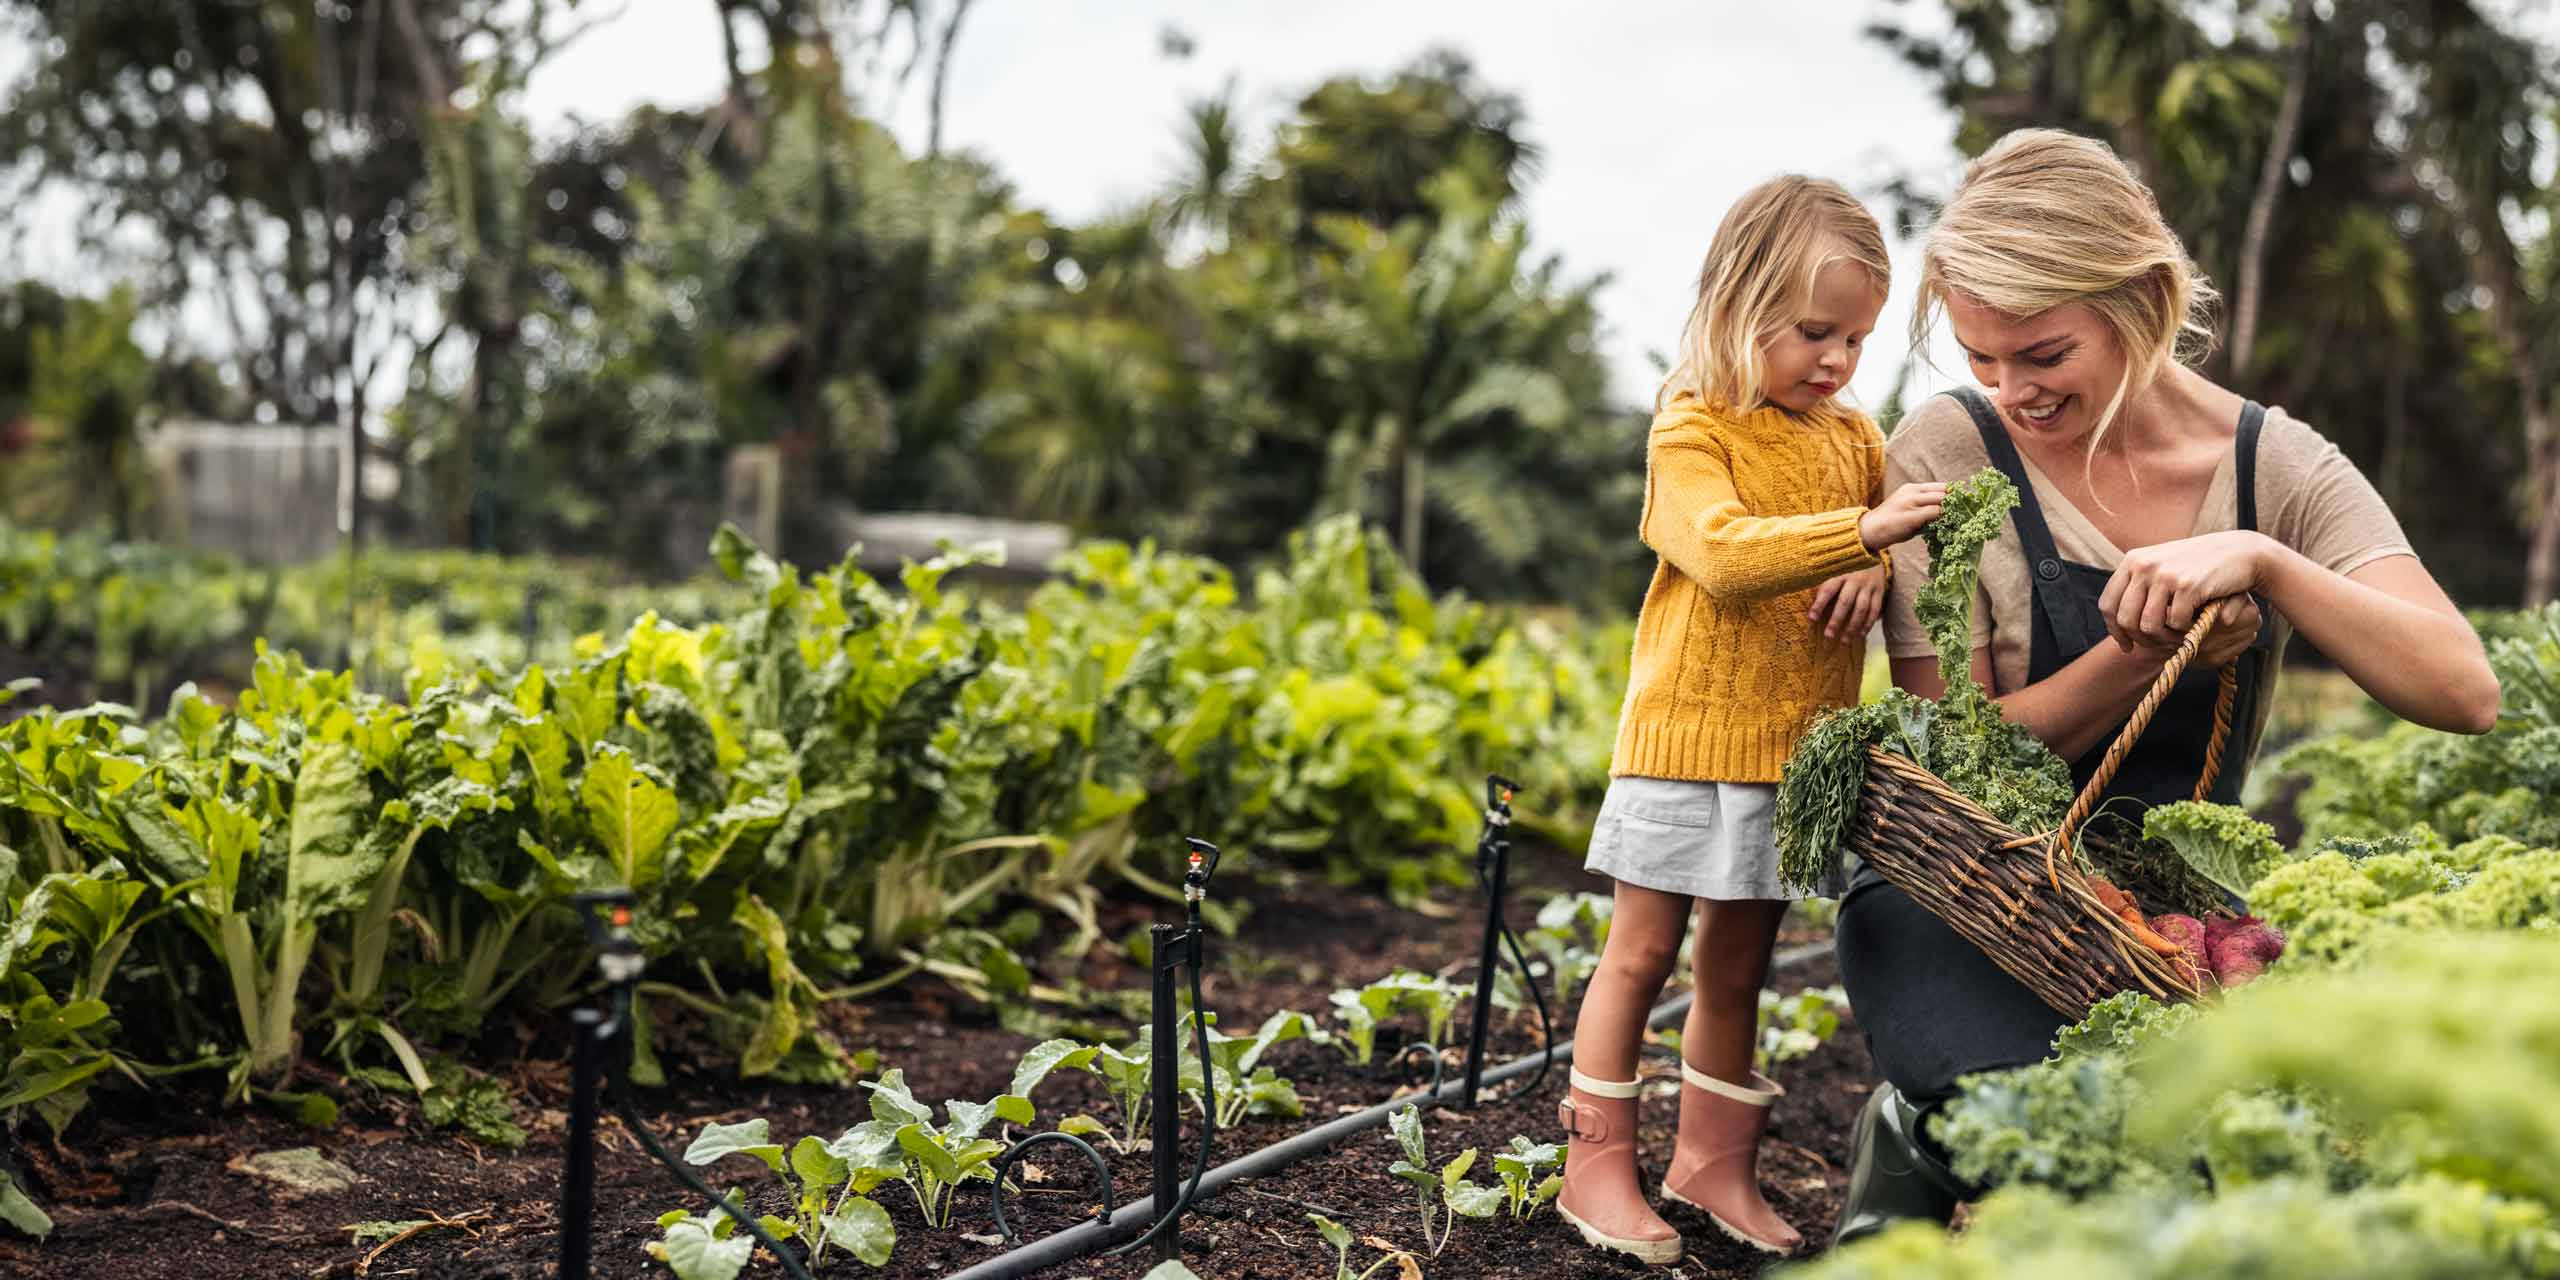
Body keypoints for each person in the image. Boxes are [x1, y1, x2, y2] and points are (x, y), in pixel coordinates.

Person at [1828, 128, 2502, 1244]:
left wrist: (2266, 560)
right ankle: (1917, 1135)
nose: (2011, 389)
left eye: (2042, 353)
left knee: (2224, 1152)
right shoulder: (1947, 449)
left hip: (2164, 917)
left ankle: (1930, 1145)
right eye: (1982, 356)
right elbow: (1951, 761)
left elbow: (2460, 686)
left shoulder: (2272, 466)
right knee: (2062, 1121)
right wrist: (2134, 655)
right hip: (1967, 895)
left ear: (2139, 298)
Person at [1557, 174, 1950, 1264]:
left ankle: (1710, 1163)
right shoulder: (1692, 425)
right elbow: (1726, 555)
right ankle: (1594, 1169)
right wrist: (1861, 536)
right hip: (1684, 745)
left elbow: (1874, 552)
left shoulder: (1853, 437)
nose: (1833, 360)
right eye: (1814, 331)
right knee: (1638, 954)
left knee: (1740, 970)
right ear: (1738, 303)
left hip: (1794, 756)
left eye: (1855, 339)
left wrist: (1872, 568)